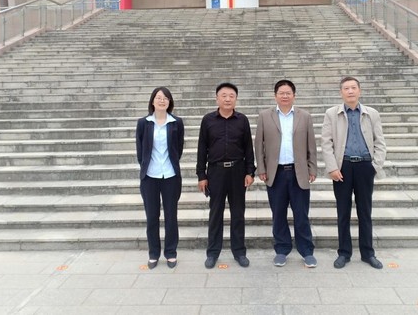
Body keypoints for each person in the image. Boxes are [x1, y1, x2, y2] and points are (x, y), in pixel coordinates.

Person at [321, 76, 386, 270]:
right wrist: (332, 167)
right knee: (343, 212)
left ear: (359, 90)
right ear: (341, 92)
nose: (350, 91)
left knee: (365, 211)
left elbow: (380, 142)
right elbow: (326, 143)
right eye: (346, 88)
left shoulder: (371, 114)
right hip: (343, 168)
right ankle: (344, 253)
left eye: (353, 88)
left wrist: (375, 166)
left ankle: (368, 253)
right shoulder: (332, 114)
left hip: (365, 166)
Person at [255, 79, 318, 268]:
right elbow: (259, 145)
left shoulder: (304, 116)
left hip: (299, 172)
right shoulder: (265, 116)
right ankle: (282, 250)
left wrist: (312, 168)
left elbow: (311, 145)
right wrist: (262, 168)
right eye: (281, 93)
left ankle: (307, 251)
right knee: (278, 214)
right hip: (276, 173)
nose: (284, 96)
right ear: (275, 96)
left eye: (288, 93)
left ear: (294, 95)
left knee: (301, 214)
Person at [196, 82, 255, 269]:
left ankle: (239, 252)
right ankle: (213, 253)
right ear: (217, 98)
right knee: (215, 213)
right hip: (216, 172)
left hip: (238, 172)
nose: (227, 99)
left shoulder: (242, 120)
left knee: (238, 213)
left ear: (236, 99)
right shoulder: (208, 120)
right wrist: (201, 175)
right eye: (224, 95)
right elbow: (202, 148)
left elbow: (248, 148)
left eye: (231, 96)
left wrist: (250, 171)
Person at [135, 87, 184, 269]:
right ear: (152, 101)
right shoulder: (143, 123)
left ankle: (171, 252)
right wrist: (147, 166)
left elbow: (178, 148)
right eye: (158, 97)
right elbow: (140, 151)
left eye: (165, 98)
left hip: (170, 175)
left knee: (171, 216)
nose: (162, 100)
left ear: (170, 102)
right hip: (150, 176)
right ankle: (153, 253)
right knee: (152, 216)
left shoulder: (176, 123)